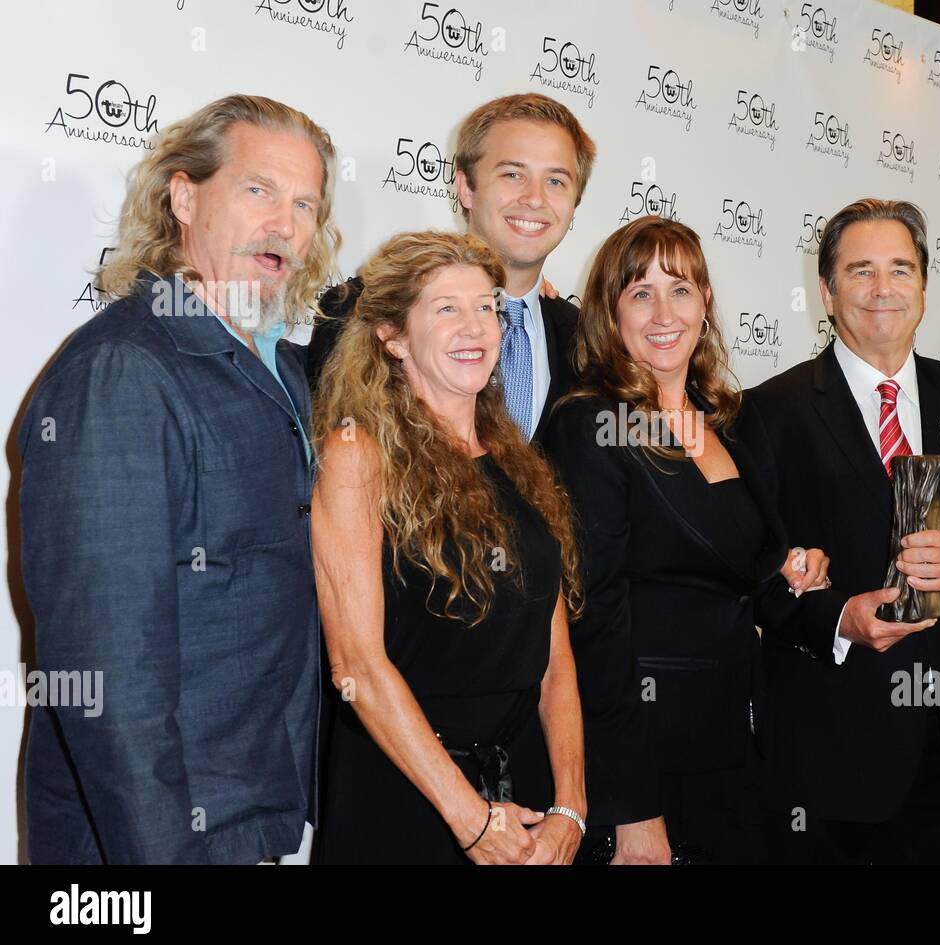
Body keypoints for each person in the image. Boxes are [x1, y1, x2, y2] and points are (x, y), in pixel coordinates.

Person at [19, 94, 340, 863]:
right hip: (150, 839)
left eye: (305, 203)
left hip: (249, 811)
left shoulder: (281, 369)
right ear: (185, 195)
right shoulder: (124, 369)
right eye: (258, 190)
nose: (286, 225)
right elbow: (107, 669)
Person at [745, 198, 940, 864]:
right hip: (829, 756)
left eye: (900, 269)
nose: (882, 289)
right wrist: (838, 620)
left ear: (922, 287)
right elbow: (758, 576)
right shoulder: (770, 413)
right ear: (826, 291)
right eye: (860, 271)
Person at [543, 217, 834, 864]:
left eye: (681, 288)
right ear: (608, 313)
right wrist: (632, 807)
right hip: (648, 753)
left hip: (738, 745)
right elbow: (594, 624)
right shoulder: (594, 424)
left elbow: (745, 581)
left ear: (706, 302)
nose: (663, 311)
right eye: (640, 293)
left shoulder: (727, 419)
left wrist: (790, 575)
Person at [310, 231, 586, 864]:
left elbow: (556, 659)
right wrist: (470, 820)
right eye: (446, 309)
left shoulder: (520, 460)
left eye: (486, 306)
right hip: (408, 799)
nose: (476, 327)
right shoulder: (357, 458)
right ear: (394, 337)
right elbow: (356, 667)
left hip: (527, 801)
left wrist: (570, 805)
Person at [308, 93, 595, 443]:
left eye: (555, 181)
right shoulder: (362, 310)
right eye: (512, 174)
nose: (535, 198)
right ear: (466, 189)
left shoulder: (584, 341)